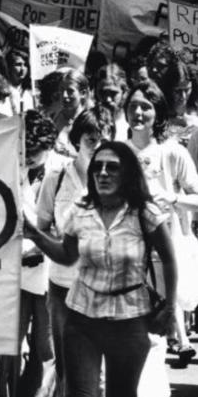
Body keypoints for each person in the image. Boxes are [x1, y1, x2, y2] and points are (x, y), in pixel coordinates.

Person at [26, 140, 178, 397]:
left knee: (121, 393)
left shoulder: (144, 212)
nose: (103, 173)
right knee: (80, 393)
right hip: (82, 318)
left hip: (129, 319)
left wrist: (170, 307)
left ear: (127, 172)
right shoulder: (80, 210)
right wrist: (35, 235)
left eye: (112, 167)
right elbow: (67, 256)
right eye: (97, 167)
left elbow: (169, 258)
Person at [36, 106, 114, 397]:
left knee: (101, 375)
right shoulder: (56, 178)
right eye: (91, 139)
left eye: (104, 140)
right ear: (77, 141)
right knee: (67, 371)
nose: (98, 146)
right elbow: (42, 226)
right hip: (63, 289)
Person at [124, 80, 198, 366]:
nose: (138, 113)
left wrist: (173, 199)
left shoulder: (173, 152)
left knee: (155, 336)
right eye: (133, 106)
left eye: (145, 106)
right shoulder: (117, 152)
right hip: (126, 254)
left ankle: (178, 341)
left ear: (158, 112)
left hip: (165, 254)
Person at [0, 110, 63, 397]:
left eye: (34, 151)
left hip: (49, 270)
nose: (27, 157)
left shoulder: (64, 171)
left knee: (47, 348)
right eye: (23, 150)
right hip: (14, 270)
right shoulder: (8, 167)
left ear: (48, 146)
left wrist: (42, 244)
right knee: (7, 346)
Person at [53, 69, 91, 158]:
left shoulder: (90, 121)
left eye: (70, 91)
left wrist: (71, 154)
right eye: (62, 90)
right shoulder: (54, 118)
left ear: (83, 93)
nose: (64, 95)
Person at [94, 64, 129, 141]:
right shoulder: (88, 120)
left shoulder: (130, 123)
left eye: (113, 93)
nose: (108, 99)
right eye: (102, 93)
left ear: (123, 92)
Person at [5, 48, 33, 114]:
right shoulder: (3, 92)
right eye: (18, 65)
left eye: (25, 65)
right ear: (9, 67)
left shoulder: (30, 92)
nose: (22, 69)